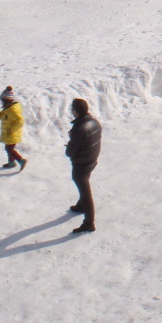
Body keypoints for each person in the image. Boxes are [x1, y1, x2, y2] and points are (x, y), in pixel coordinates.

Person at [66, 98, 102, 234]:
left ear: (75, 112)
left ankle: (89, 223)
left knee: (86, 192)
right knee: (84, 186)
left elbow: (69, 152)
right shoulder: (94, 122)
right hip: (92, 160)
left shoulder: (78, 129)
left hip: (81, 164)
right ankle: (81, 206)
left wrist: (70, 141)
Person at [0, 86, 27, 171]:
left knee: (9, 149)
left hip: (12, 133)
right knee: (9, 148)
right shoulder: (8, 109)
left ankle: (21, 160)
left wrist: (12, 130)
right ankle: (11, 162)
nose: (1, 102)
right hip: (9, 133)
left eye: (2, 100)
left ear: (6, 100)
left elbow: (20, 120)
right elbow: (5, 117)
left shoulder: (12, 110)